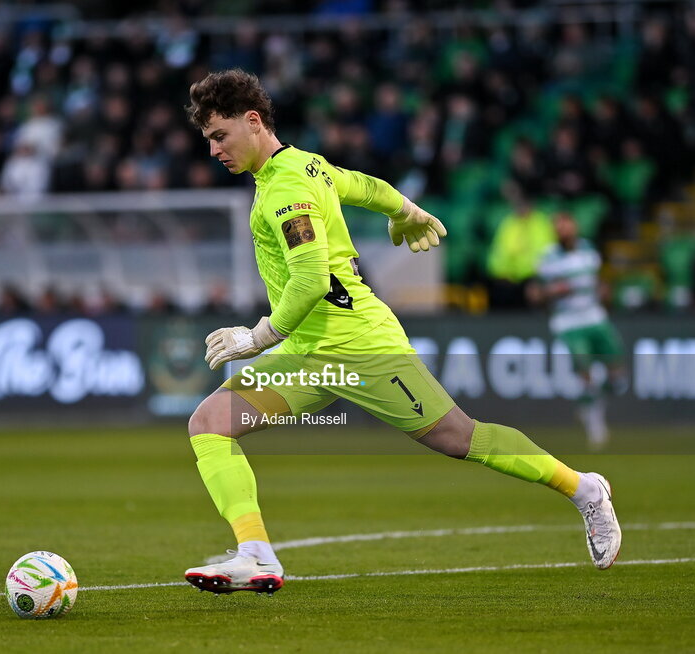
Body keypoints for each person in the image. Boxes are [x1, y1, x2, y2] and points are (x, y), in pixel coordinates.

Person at [181, 70, 621, 595]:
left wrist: (258, 337)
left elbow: (311, 278)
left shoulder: (287, 188)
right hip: (307, 351)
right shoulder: (306, 165)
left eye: (219, 136)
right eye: (208, 139)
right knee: (210, 423)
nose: (213, 151)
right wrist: (405, 209)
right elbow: (364, 185)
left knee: (459, 438)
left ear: (252, 122)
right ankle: (256, 553)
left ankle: (585, 489)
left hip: (362, 346)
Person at [533, 213, 628, 449]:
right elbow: (536, 293)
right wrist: (553, 292)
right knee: (586, 372)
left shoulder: (589, 252)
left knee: (618, 377)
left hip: (595, 316)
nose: (562, 232)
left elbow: (597, 283)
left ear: (575, 227)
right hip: (569, 322)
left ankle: (589, 404)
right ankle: (595, 422)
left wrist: (604, 292)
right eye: (558, 228)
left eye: (566, 227)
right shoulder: (548, 259)